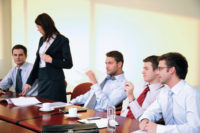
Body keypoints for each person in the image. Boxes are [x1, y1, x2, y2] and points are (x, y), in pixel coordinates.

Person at [139, 52, 200, 133]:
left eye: (160, 68)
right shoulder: (165, 92)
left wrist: (160, 129)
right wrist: (145, 119)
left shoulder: (191, 94)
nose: (157, 72)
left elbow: (195, 128)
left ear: (171, 70)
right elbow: (151, 111)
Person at [22, 13, 73, 102]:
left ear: (44, 26)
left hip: (55, 81)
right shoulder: (41, 40)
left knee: (55, 110)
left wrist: (51, 60)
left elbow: (69, 64)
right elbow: (37, 62)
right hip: (42, 80)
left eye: (38, 27)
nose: (37, 29)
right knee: (42, 109)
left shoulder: (62, 40)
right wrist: (29, 82)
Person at [121, 55, 164, 120]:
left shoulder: (161, 94)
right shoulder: (143, 83)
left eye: (146, 69)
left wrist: (131, 96)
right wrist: (124, 113)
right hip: (124, 122)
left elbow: (143, 118)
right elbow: (127, 104)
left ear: (157, 71)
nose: (142, 72)